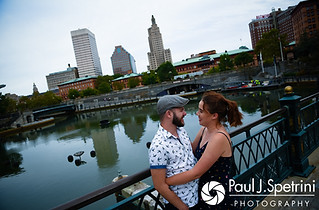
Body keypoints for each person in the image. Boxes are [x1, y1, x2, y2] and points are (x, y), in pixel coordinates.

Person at [166, 91, 243, 209]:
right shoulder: (204, 129)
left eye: (201, 111)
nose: (197, 114)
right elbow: (191, 150)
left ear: (214, 115)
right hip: (205, 191)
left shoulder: (219, 138)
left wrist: (165, 182)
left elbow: (196, 173)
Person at [148, 95, 198, 210]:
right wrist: (183, 208)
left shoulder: (181, 130)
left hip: (196, 196)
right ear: (169, 114)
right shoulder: (158, 146)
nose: (185, 113)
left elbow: (190, 152)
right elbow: (159, 185)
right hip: (181, 205)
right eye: (181, 110)